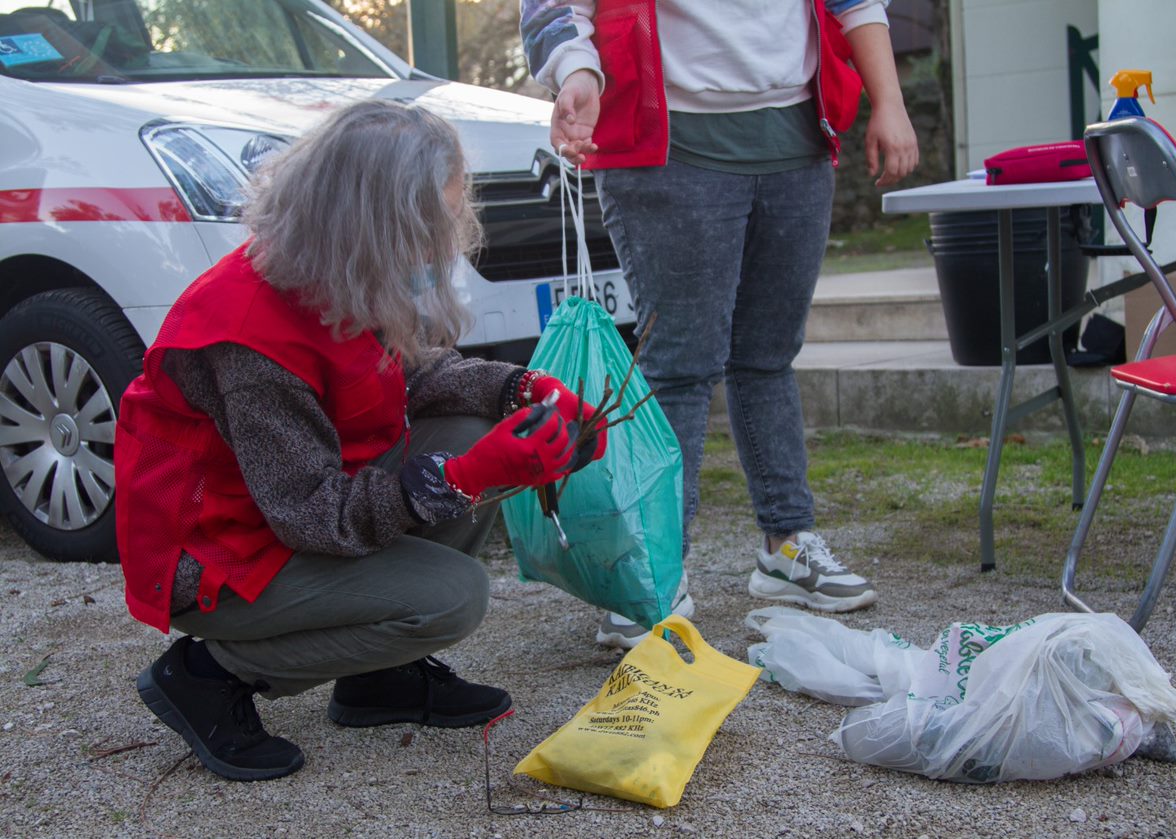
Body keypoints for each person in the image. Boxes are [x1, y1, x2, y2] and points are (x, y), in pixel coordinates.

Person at [114, 99, 605, 781]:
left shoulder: (340, 267)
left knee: (474, 425)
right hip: (218, 555)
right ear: (376, 220)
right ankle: (208, 672)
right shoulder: (250, 336)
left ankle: (379, 677)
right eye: (434, 224)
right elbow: (312, 515)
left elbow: (419, 376)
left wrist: (522, 390)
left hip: (280, 513)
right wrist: (460, 477)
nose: (445, 243)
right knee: (453, 596)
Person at [521, 0, 920, 648]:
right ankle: (653, 569)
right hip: (669, 145)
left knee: (768, 356)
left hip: (797, 141)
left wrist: (890, 101)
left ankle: (786, 544)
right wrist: (576, 69)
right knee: (680, 366)